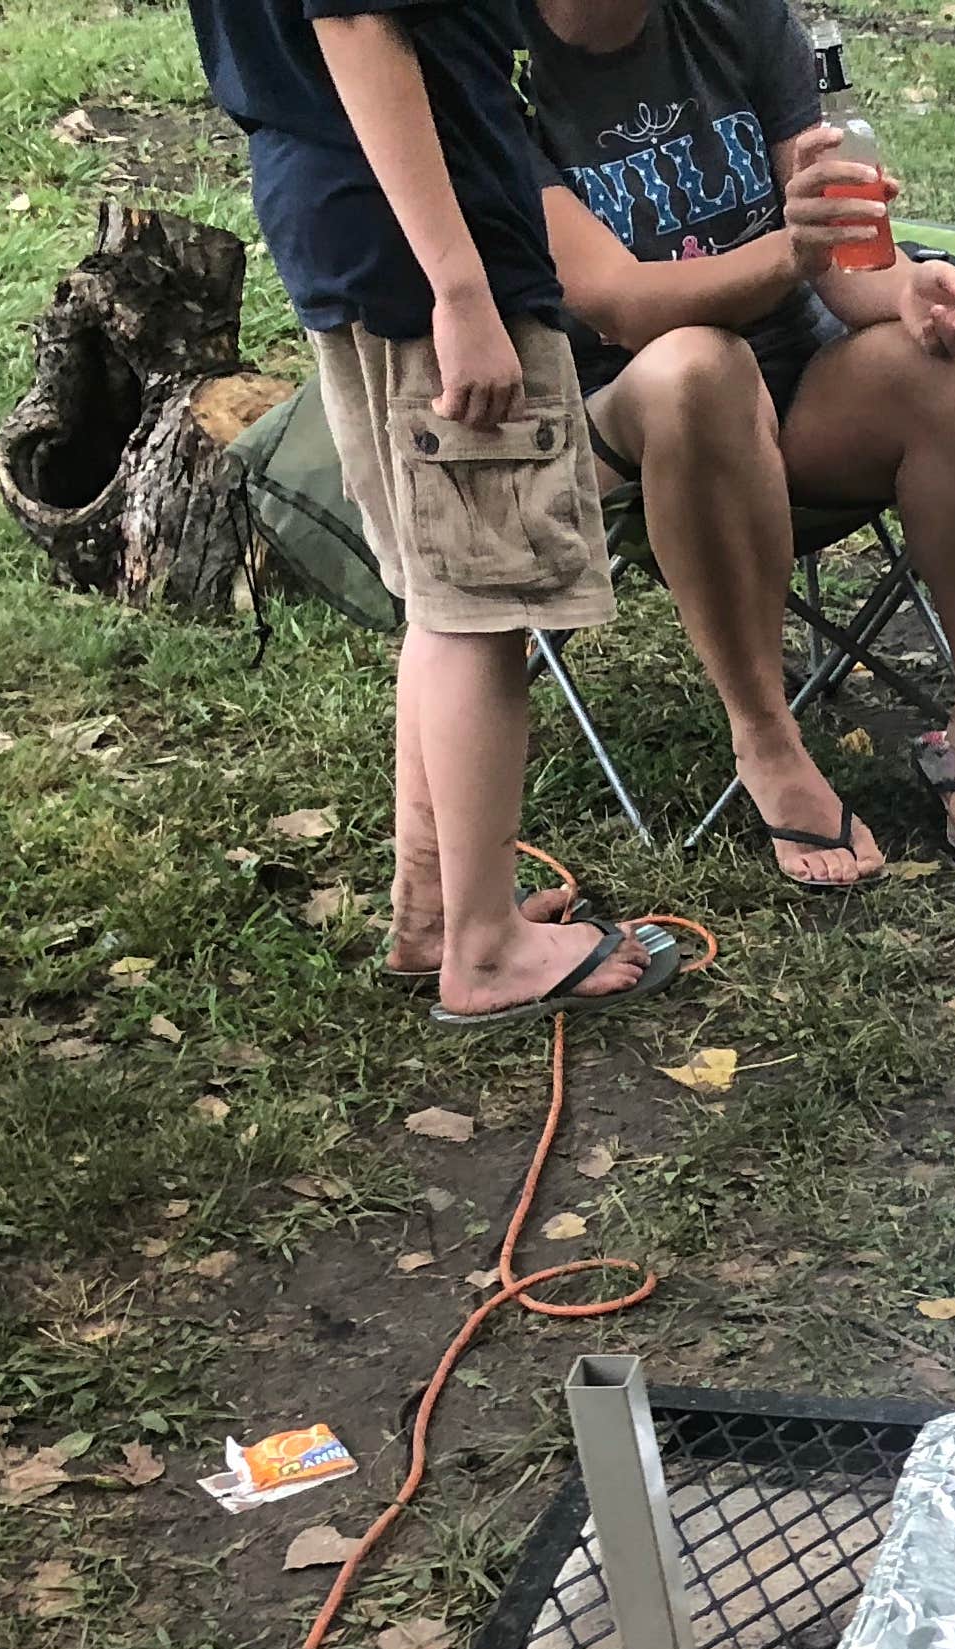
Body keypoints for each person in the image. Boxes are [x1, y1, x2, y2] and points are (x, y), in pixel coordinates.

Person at [187, 0, 683, 1024]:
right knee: (484, 610)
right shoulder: (447, 271)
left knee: (440, 587)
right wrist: (461, 293)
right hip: (430, 237)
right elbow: (360, 24)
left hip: (351, 213)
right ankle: (489, 953)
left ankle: (441, 912)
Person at [526, 0, 955, 878]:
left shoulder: (738, 19)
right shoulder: (495, 60)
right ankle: (766, 737)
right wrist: (792, 252)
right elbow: (618, 304)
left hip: (797, 386)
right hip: (624, 408)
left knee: (944, 376)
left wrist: (910, 290)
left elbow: (846, 265)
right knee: (699, 368)